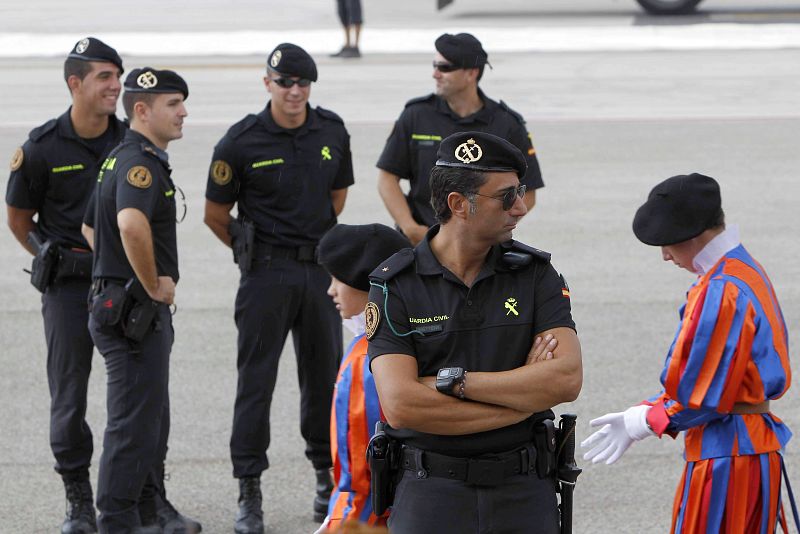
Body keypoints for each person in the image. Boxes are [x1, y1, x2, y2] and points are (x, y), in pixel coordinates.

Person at [366, 131, 582, 533]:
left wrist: (455, 384)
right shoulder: (396, 285)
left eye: (519, 191)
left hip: (523, 489)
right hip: (431, 493)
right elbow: (402, 405)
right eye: (506, 196)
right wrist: (522, 400)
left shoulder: (536, 276)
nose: (520, 207)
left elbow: (566, 379)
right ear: (458, 204)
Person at [581, 173, 793, 533]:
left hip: (729, 453)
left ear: (692, 234)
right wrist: (650, 408)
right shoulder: (743, 269)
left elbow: (702, 394)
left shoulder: (720, 288)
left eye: (668, 242)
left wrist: (647, 421)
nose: (665, 255)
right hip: (747, 444)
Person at [203, 43, 354, 533]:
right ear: (266, 82)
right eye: (285, 82)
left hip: (317, 273)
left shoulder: (331, 130)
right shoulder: (240, 141)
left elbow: (337, 197)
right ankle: (249, 491)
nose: (295, 92)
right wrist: (251, 252)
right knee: (256, 384)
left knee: (323, 382)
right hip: (265, 276)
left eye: (303, 83)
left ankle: (325, 479)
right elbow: (215, 214)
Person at [4, 36, 126, 533]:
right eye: (104, 76)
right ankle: (79, 500)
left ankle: (142, 493)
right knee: (69, 396)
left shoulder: (130, 140)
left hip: (123, 283)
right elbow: (18, 219)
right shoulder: (41, 147)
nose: (115, 85)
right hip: (69, 289)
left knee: (138, 396)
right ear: (75, 83)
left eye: (118, 75)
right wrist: (44, 254)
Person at [87, 66, 201, 534]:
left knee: (147, 419)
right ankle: (117, 520)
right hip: (133, 312)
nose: (183, 112)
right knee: (133, 425)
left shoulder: (122, 157)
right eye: (173, 105)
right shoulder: (139, 163)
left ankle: (144, 512)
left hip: (126, 305)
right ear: (142, 109)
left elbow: (91, 228)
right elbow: (130, 224)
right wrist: (152, 283)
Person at [376, 32, 544, 245]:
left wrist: (489, 228)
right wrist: (411, 229)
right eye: (434, 65)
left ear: (471, 73)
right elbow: (387, 179)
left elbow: (528, 193)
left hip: (483, 245)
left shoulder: (507, 124)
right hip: (422, 242)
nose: (435, 74)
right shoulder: (416, 115)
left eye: (444, 68)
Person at [315, 223, 411, 531]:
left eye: (338, 279)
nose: (330, 289)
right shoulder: (410, 330)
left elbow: (360, 475)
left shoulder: (364, 359)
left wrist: (340, 525)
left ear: (365, 283)